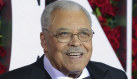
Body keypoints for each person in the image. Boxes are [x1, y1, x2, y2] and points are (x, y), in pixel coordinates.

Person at [0, 1, 128, 79]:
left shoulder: (115, 76)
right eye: (64, 34)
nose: (76, 42)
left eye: (83, 33)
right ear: (44, 41)